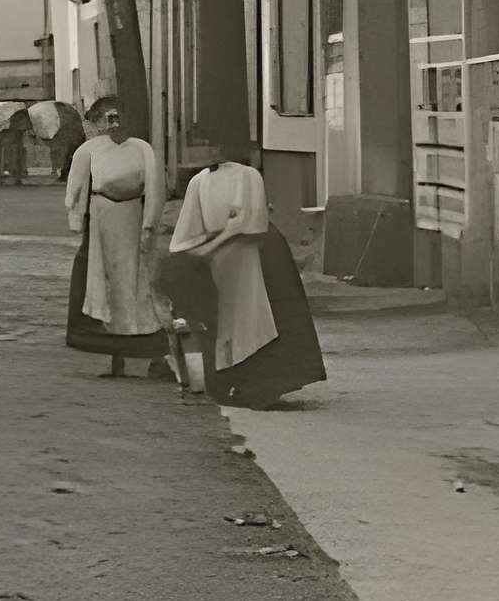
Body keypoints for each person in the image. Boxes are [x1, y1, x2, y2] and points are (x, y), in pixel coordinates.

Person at [162, 123, 324, 409]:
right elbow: (188, 226)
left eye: (211, 146)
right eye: (201, 147)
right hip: (218, 254)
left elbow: (247, 222)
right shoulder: (198, 182)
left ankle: (264, 384)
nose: (206, 152)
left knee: (258, 316)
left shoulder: (248, 176)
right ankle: (224, 381)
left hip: (255, 250)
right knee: (222, 319)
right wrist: (189, 254)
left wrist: (211, 246)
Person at [62, 97, 170, 380]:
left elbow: (156, 188)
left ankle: (155, 356)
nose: (114, 125)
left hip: (132, 217)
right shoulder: (89, 151)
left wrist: (149, 225)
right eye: (107, 119)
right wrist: (77, 222)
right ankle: (114, 359)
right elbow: (74, 189)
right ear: (98, 123)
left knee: (136, 284)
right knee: (104, 286)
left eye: (119, 118)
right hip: (100, 220)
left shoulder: (143, 149)